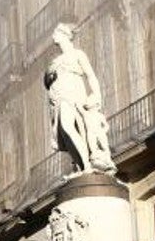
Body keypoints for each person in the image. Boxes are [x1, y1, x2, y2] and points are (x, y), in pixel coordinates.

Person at [45, 23, 114, 176]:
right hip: (58, 97)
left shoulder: (77, 54)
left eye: (56, 33)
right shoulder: (56, 60)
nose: (53, 36)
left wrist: (96, 95)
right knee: (65, 130)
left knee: (69, 126)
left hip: (72, 94)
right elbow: (47, 80)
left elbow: (90, 75)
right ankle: (82, 166)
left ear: (64, 35)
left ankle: (87, 165)